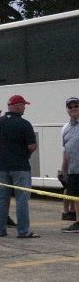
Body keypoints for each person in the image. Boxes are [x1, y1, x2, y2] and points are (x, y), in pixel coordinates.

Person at [0, 94, 39, 238]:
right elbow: (32, 146)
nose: (24, 108)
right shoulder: (24, 124)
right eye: (23, 105)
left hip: (1, 167)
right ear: (17, 106)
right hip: (20, 166)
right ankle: (23, 231)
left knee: (2, 198)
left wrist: (0, 157)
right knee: (22, 199)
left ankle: (0, 229)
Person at [60, 97, 79, 233]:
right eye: (70, 106)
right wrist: (64, 170)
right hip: (73, 170)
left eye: (76, 106)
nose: (73, 108)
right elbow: (66, 151)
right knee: (76, 197)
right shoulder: (65, 128)